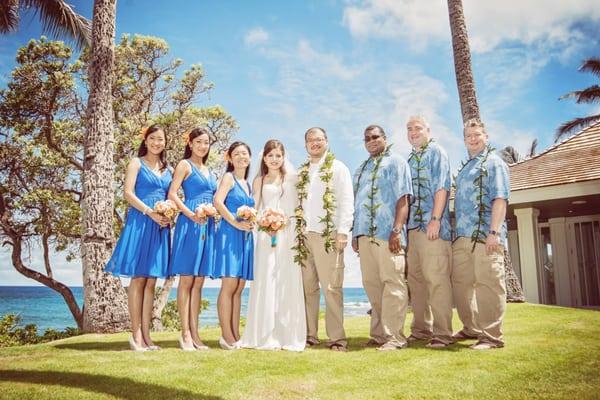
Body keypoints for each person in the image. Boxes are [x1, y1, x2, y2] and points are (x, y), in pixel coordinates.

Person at [105, 124, 172, 351]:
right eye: (152, 138)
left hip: (160, 226)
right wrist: (150, 212)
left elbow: (170, 196)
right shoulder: (136, 163)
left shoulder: (167, 169)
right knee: (139, 278)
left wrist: (168, 213)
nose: (156, 142)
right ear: (145, 140)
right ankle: (135, 336)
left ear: (165, 142)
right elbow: (127, 193)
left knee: (152, 280)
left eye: (160, 139)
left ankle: (147, 335)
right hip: (141, 222)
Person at [240, 140, 306, 352]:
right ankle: (264, 334)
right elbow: (256, 206)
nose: (274, 159)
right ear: (264, 158)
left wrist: (284, 221)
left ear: (283, 157)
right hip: (266, 236)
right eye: (271, 156)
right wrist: (264, 222)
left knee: (286, 279)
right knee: (266, 279)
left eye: (278, 155)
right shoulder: (259, 180)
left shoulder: (292, 179)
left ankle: (287, 334)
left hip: (287, 234)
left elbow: (298, 206)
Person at [352, 125, 412, 351]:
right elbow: (357, 204)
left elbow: (403, 199)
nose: (371, 141)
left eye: (375, 137)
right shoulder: (361, 169)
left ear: (384, 138)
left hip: (388, 234)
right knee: (372, 284)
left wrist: (397, 230)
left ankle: (395, 337)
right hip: (364, 234)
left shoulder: (397, 162)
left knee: (393, 283)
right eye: (366, 138)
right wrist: (355, 233)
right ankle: (379, 334)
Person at [452, 118, 510, 350]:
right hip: (463, 236)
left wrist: (493, 232)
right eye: (468, 136)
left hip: (485, 235)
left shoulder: (494, 163)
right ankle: (471, 328)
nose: (473, 139)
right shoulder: (467, 167)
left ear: (486, 137)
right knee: (461, 284)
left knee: (489, 284)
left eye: (477, 135)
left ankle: (491, 337)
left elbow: (500, 199)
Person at [296, 127, 354, 351]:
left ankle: (337, 338)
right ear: (306, 145)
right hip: (304, 237)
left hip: (328, 235)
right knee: (308, 288)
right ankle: (310, 334)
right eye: (310, 140)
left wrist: (343, 231)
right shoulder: (302, 172)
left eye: (319, 139)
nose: (315, 143)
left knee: (331, 288)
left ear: (327, 141)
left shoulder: (338, 168)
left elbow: (347, 201)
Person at [405, 116, 454, 348]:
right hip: (412, 230)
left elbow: (442, 187)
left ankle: (443, 333)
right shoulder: (410, 159)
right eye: (409, 129)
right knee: (417, 282)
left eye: (418, 128)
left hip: (432, 228)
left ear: (428, 130)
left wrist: (435, 219)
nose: (413, 132)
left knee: (437, 280)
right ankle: (421, 329)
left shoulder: (437, 152)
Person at [168, 127, 217, 351]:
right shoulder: (184, 165)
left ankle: (196, 334)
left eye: (206, 142)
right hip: (190, 224)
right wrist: (189, 214)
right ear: (190, 143)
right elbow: (172, 194)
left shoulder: (210, 170)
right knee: (187, 280)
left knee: (199, 282)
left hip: (208, 226)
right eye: (198, 142)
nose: (202, 146)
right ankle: (185, 334)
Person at [213, 141, 255, 350]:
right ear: (230, 158)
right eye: (236, 153)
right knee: (229, 286)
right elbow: (218, 202)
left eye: (245, 153)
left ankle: (236, 334)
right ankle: (226, 335)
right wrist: (236, 223)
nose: (241, 157)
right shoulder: (228, 178)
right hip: (230, 235)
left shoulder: (248, 183)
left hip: (245, 237)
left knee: (238, 288)